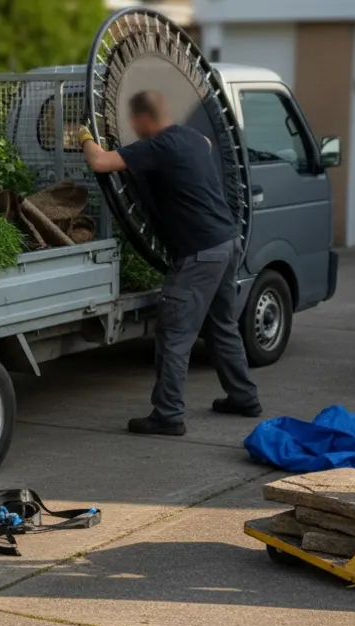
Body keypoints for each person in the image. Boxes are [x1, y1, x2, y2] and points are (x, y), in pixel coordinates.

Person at [77, 90, 260, 436]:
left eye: (134, 121)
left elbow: (100, 162)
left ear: (143, 118)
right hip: (226, 243)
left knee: (175, 334)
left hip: (199, 252)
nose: (133, 127)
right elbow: (207, 142)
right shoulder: (191, 138)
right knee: (222, 325)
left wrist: (85, 136)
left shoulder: (158, 147)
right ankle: (244, 397)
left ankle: (168, 415)